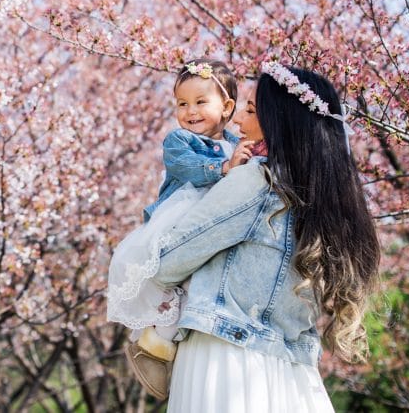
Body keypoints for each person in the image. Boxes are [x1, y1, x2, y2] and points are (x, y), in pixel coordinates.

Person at [153, 63, 380, 412]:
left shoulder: (255, 181)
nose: (239, 123)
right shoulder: (327, 205)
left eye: (250, 110)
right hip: (293, 373)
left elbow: (168, 262)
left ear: (277, 122)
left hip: (225, 358)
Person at [107, 58, 254, 399]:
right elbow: (184, 166)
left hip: (211, 219)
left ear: (227, 107)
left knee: (197, 281)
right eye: (182, 103)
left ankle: (161, 342)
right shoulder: (179, 139)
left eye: (201, 102)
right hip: (180, 215)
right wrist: (223, 168)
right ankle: (158, 340)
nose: (190, 112)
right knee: (176, 275)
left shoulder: (236, 142)